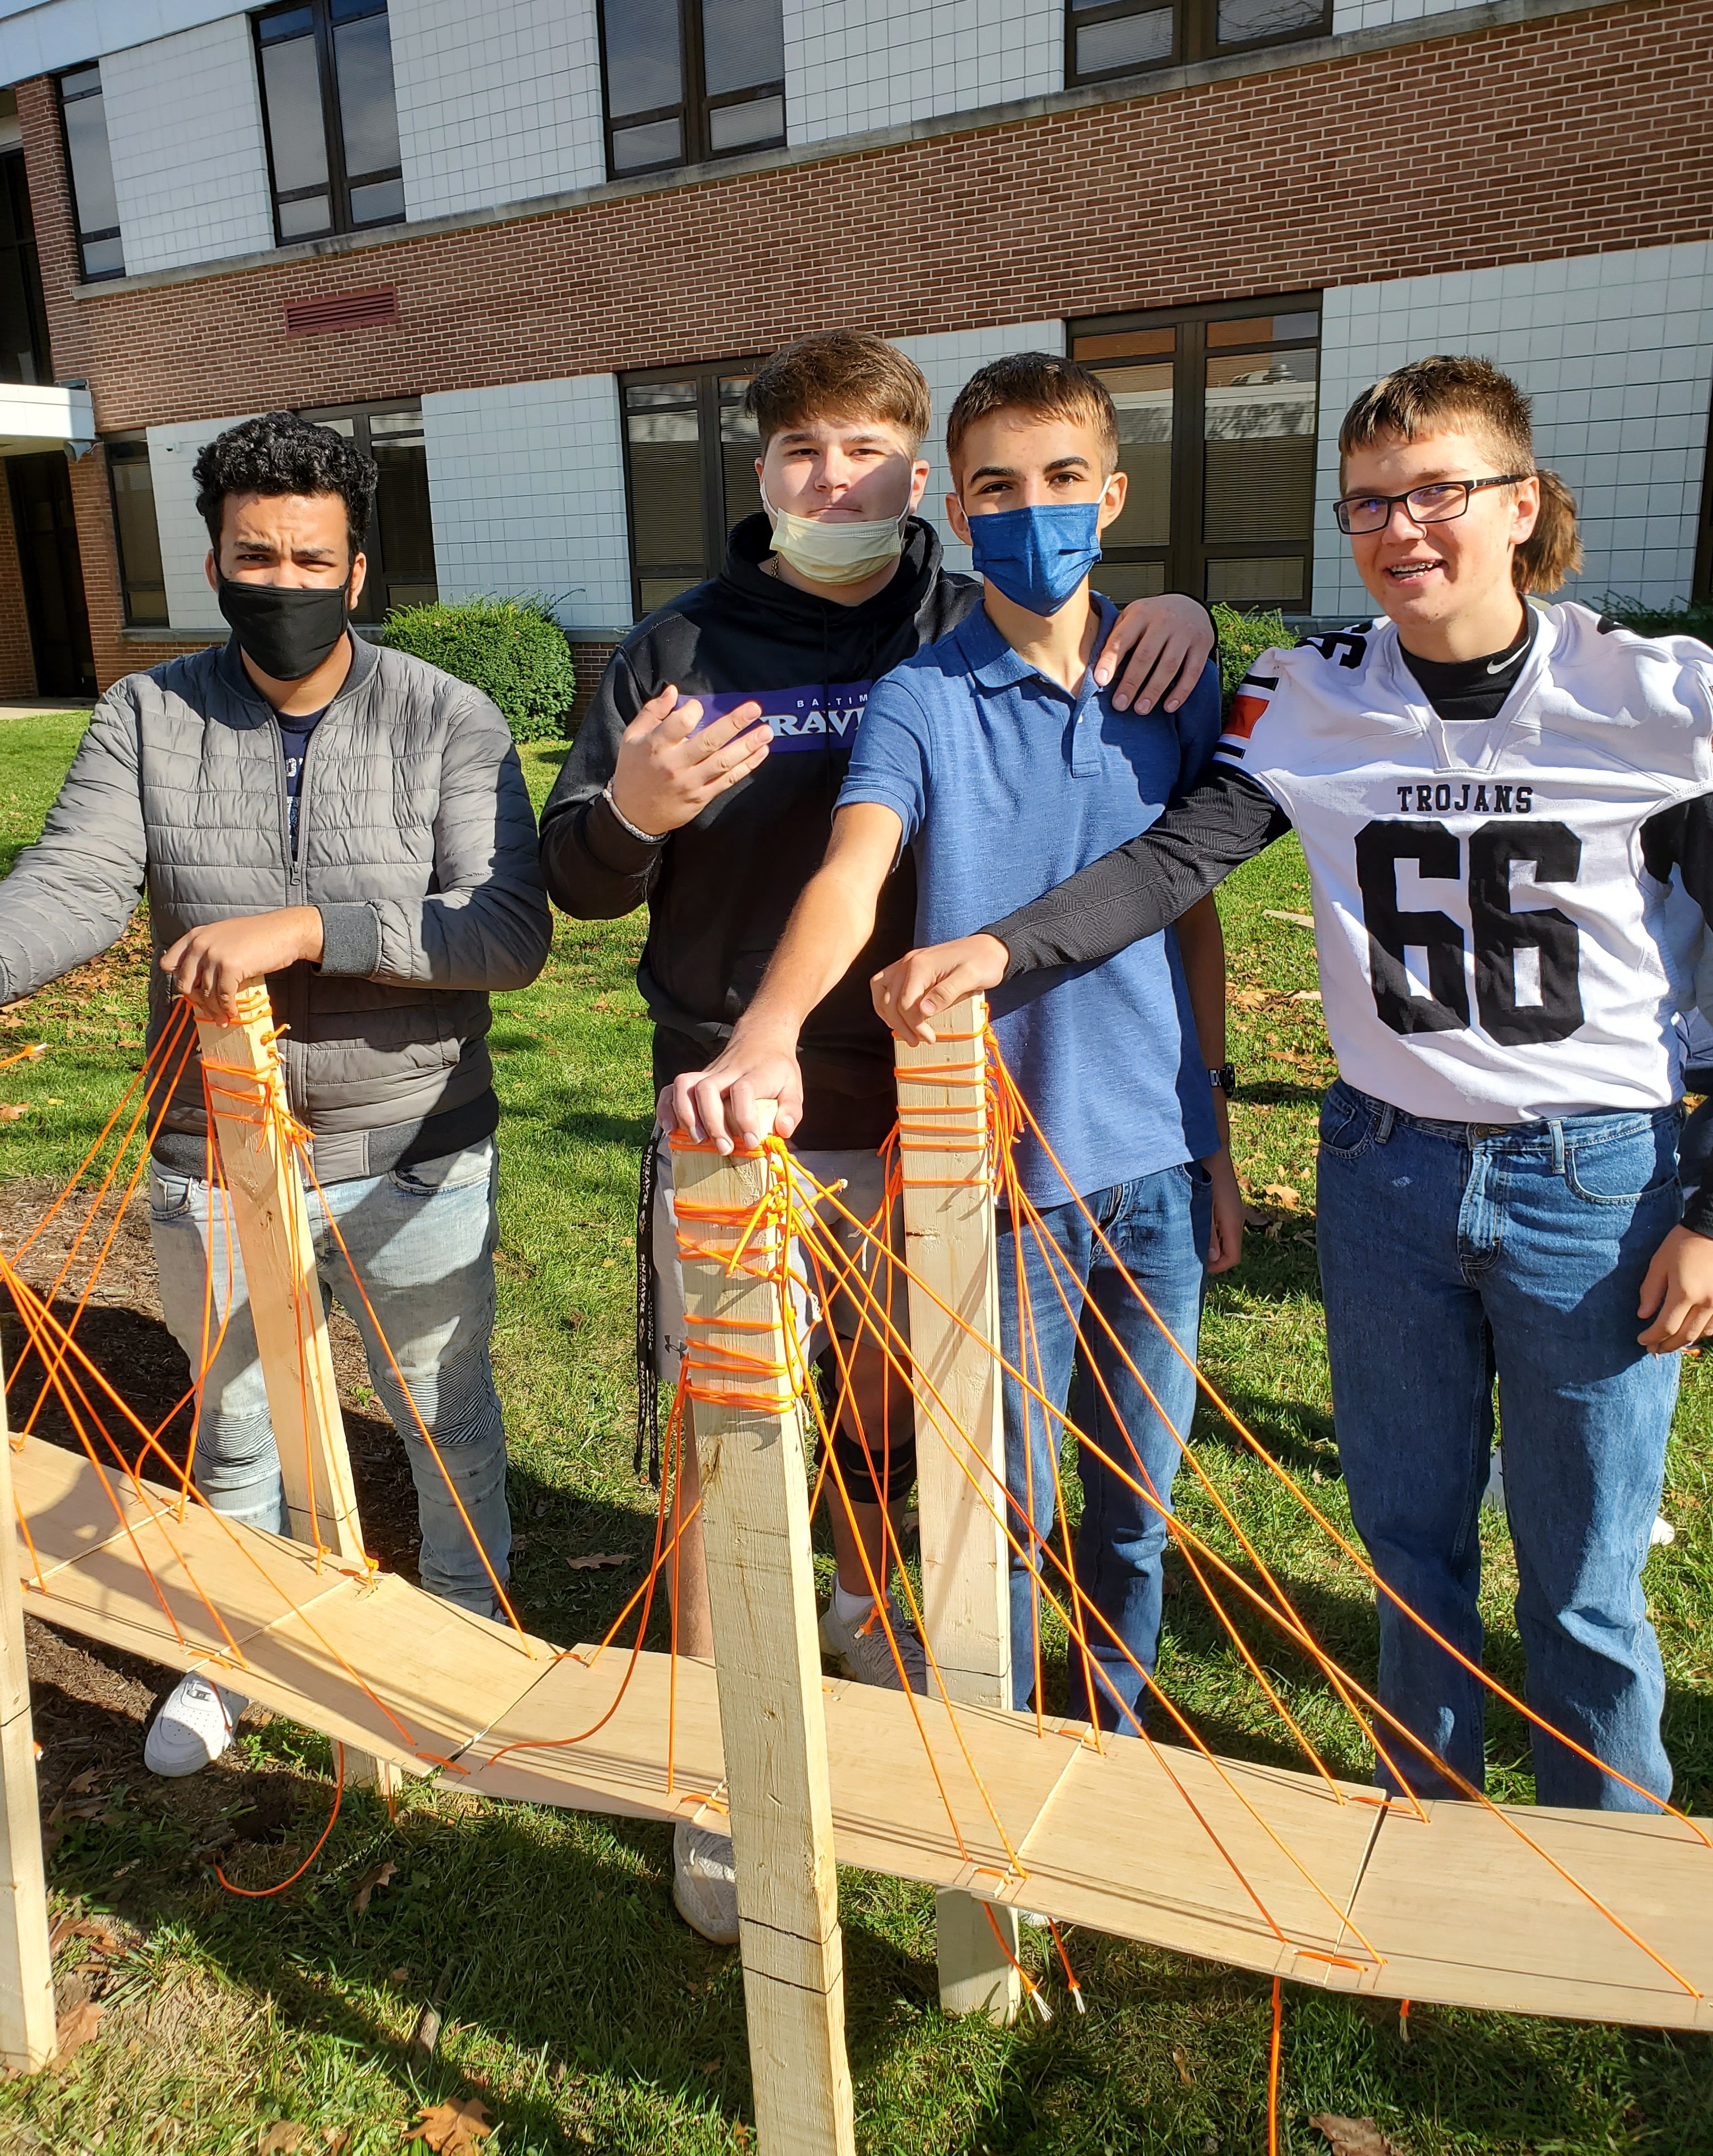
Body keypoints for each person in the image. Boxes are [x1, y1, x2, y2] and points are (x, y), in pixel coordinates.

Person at [876, 355, 1713, 1813]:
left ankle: (1607, 1880)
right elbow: (1173, 857)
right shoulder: (1314, 694)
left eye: (1440, 493)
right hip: (1386, 1166)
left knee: (1582, 1581)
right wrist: (998, 952)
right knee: (1407, 1541)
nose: (1406, 530)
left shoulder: (1654, 698)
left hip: (1596, 1175)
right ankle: (1425, 1823)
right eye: (1371, 504)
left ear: (1522, 506)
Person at [538, 330, 1216, 1937]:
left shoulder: (954, 608)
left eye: (862, 454)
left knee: (897, 1432)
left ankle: (861, 1622)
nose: (830, 481)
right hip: (747, 1102)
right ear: (762, 478)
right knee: (730, 1452)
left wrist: (1174, 607)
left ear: (922, 485)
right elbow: (572, 878)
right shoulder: (680, 646)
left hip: (944, 1110)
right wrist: (629, 811)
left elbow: (1084, 629)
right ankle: (719, 1774)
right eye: (798, 456)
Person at [670, 351, 1244, 1739]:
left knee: (1136, 1512)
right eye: (999, 488)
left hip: (1157, 1167)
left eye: (1061, 481)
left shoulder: (1172, 677)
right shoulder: (923, 698)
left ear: (1111, 497)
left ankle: (1107, 1739)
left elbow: (1199, 922)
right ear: (962, 509)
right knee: (1004, 1508)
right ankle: (991, 1757)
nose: (1031, 511)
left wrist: (1218, 1139)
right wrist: (768, 1031)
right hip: (993, 1183)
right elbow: (853, 871)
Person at [0, 411, 551, 1776]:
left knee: (439, 1407)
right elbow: (71, 887)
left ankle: (471, 1639)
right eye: (260, 557)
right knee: (233, 1416)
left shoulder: (447, 720)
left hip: (414, 1142)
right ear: (215, 564)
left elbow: (506, 933)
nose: (287, 585)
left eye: (315, 559)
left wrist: (311, 925)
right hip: (212, 1145)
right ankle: (235, 1650)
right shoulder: (148, 712)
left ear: (359, 570)